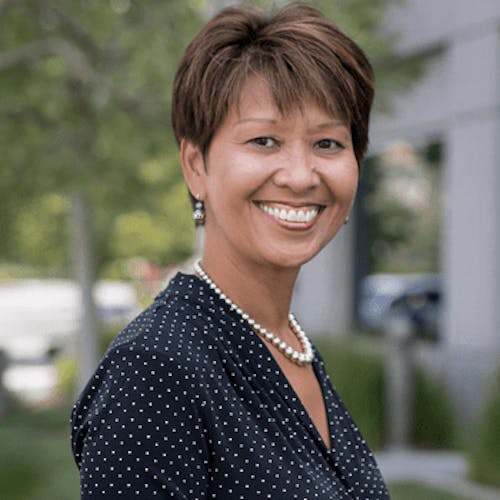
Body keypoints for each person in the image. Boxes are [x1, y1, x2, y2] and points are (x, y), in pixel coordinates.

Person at [71, 3, 389, 499]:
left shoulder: (289, 344)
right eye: (264, 140)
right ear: (195, 165)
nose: (300, 176)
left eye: (327, 144)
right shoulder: (155, 371)